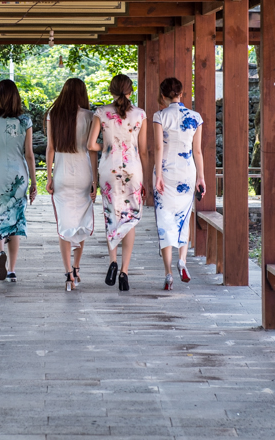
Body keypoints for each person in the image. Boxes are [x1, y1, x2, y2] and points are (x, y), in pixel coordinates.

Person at [88, 74, 147, 292]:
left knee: (111, 214)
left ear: (111, 91)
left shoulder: (101, 113)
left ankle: (112, 261)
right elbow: (142, 150)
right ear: (130, 91)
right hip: (133, 170)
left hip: (108, 170)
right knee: (130, 218)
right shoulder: (140, 114)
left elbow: (90, 144)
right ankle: (125, 272)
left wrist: (107, 147)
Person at [0, 79, 36, 282]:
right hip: (18, 172)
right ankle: (11, 269)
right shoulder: (25, 120)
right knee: (16, 219)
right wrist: (34, 183)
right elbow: (29, 154)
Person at [152, 77, 205, 290]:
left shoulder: (159, 116)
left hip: (165, 170)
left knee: (165, 220)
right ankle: (182, 260)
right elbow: (198, 151)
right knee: (184, 215)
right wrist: (201, 177)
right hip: (187, 171)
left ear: (163, 95)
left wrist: (157, 177)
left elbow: (158, 148)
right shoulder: (195, 117)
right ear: (181, 93)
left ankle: (168, 273)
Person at [45, 78, 97, 291]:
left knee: (64, 226)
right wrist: (95, 180)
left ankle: (68, 274)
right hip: (83, 173)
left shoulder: (53, 115)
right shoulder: (90, 116)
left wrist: (48, 176)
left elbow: (50, 148)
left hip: (62, 174)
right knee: (81, 220)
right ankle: (76, 267)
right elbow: (92, 150)